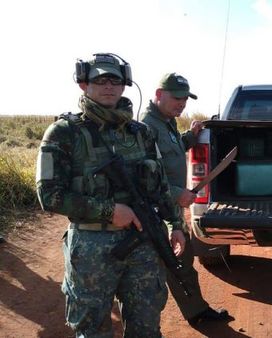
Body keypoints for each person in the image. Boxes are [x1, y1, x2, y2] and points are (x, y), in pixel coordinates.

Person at [36, 53, 186, 337]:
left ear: (125, 84)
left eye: (115, 80)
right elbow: (49, 195)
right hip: (92, 247)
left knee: (146, 325)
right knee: (93, 329)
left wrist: (176, 224)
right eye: (100, 80)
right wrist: (108, 210)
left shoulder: (141, 133)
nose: (108, 86)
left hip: (143, 244)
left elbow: (161, 187)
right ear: (84, 83)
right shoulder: (64, 133)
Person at [140, 72, 229, 327]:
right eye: (176, 97)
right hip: (154, 215)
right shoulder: (146, 127)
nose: (182, 103)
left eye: (185, 99)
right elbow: (142, 175)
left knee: (183, 262)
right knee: (153, 276)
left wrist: (189, 138)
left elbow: (168, 154)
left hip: (171, 212)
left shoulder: (166, 123)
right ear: (158, 95)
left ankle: (197, 312)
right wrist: (177, 193)